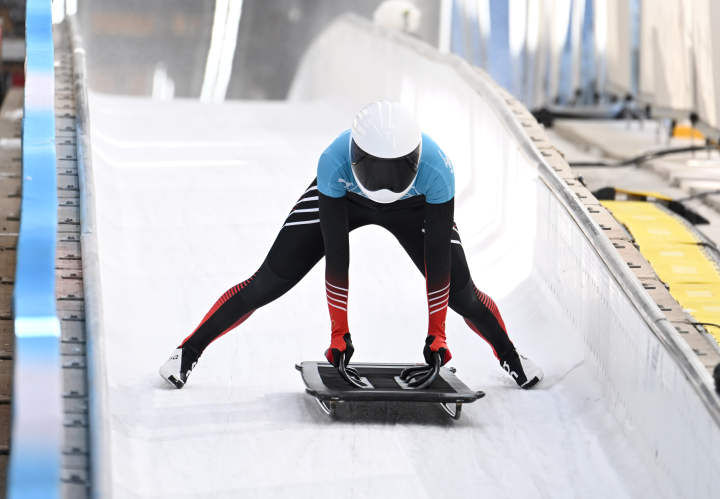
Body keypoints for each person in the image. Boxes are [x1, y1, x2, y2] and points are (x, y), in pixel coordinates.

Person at [160, 101, 543, 390]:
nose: (385, 183)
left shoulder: (438, 169)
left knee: (464, 296)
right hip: (345, 197)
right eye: (375, 168)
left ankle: (511, 356)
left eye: (396, 169)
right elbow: (337, 256)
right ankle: (187, 353)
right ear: (357, 155)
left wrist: (437, 334)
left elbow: (438, 262)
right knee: (268, 282)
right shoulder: (333, 161)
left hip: (416, 205)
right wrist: (338, 333)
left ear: (415, 159)